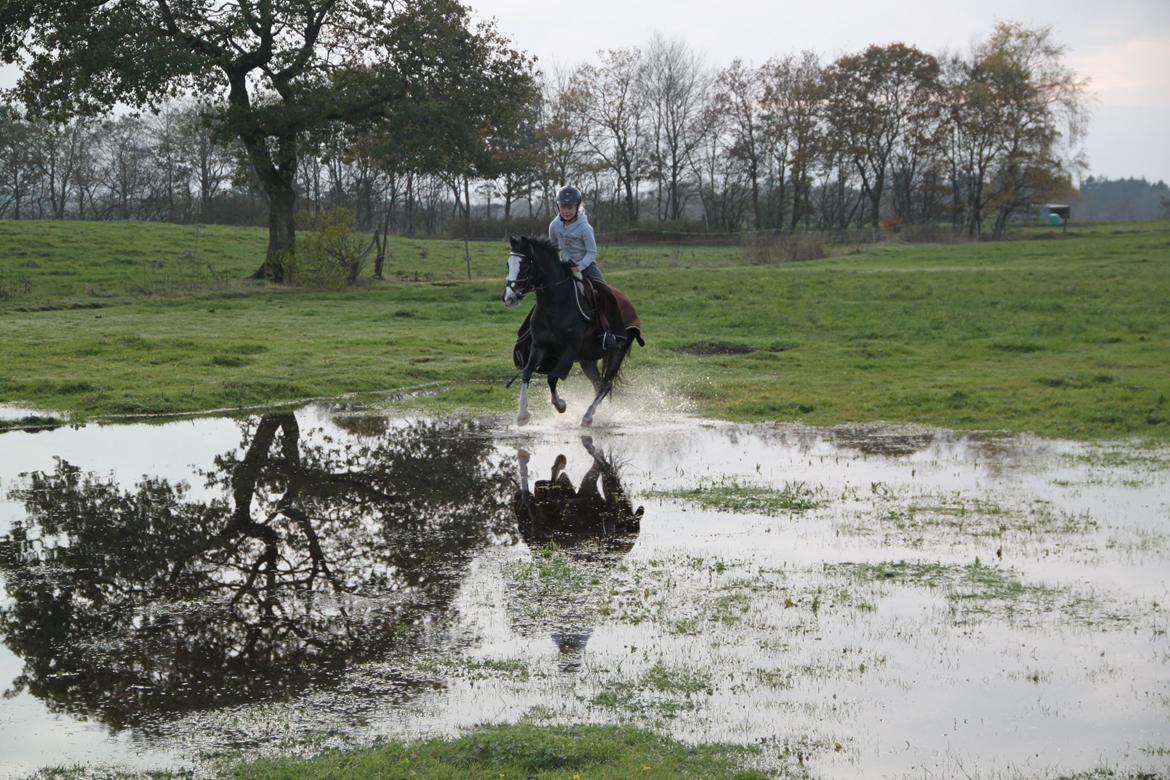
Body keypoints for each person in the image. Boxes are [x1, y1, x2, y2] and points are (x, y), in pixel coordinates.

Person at [549, 186, 605, 284]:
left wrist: (578, 267)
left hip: (586, 266)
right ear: (558, 207)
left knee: (603, 290)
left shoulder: (585, 228)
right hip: (564, 266)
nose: (566, 211)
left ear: (577, 207)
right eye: (563, 207)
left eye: (570, 207)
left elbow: (591, 253)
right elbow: (552, 250)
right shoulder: (554, 226)